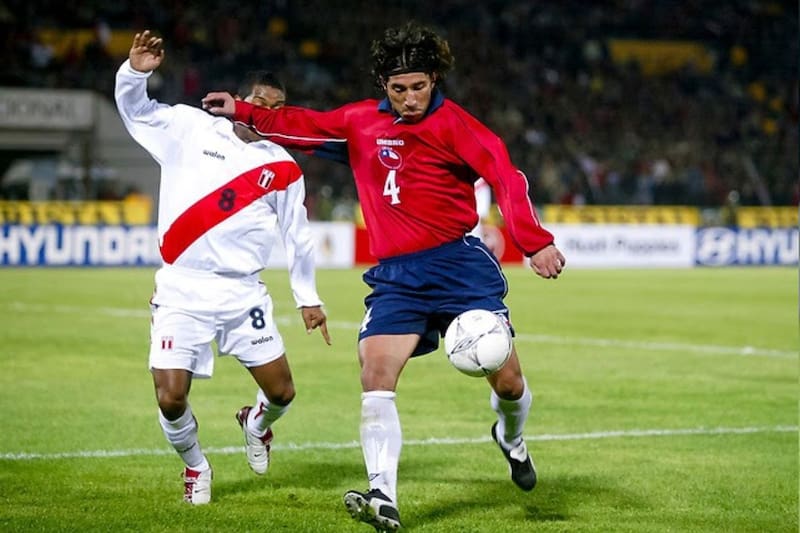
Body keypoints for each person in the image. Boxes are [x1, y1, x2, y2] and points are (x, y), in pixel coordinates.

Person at [203, 21, 565, 531]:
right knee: (375, 374)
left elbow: (506, 175)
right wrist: (243, 111)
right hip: (397, 277)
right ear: (383, 86)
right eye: (399, 89)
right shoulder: (360, 123)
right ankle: (382, 495)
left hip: (459, 266)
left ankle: (510, 437)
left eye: (419, 86)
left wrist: (535, 239)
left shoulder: (457, 126)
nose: (411, 98)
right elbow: (303, 126)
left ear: (435, 78)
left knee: (508, 381)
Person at [115, 31, 331, 505]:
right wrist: (136, 73)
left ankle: (255, 425)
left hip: (243, 294)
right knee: (170, 397)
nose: (265, 112)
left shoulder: (284, 166)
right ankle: (196, 466)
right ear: (238, 100)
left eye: (276, 107)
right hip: (182, 289)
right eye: (258, 101)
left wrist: (308, 298)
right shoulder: (190, 128)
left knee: (283, 394)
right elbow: (136, 111)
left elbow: (298, 235)